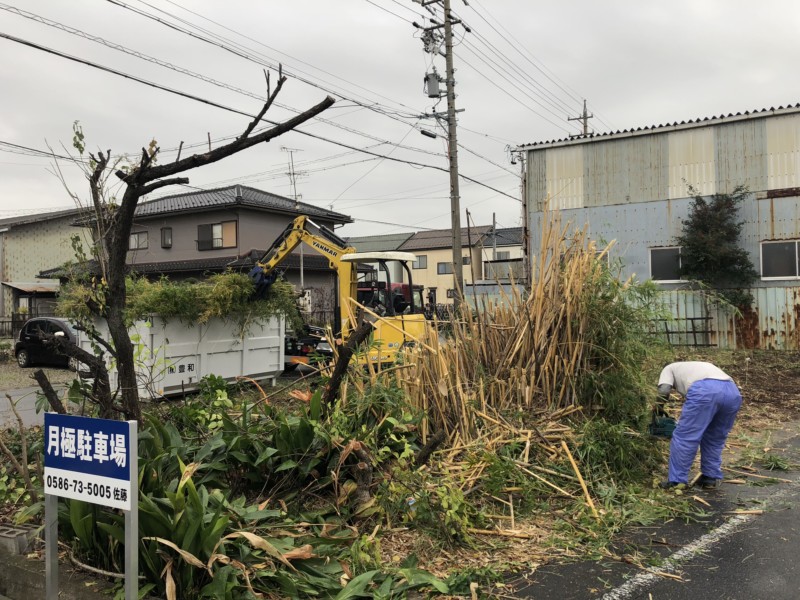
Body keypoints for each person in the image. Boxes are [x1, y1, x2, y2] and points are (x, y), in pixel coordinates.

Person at [657, 361, 742, 489]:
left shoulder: (668, 368)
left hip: (705, 391)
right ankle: (709, 477)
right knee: (715, 437)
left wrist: (658, 408)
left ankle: (676, 481)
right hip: (732, 392)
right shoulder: (695, 366)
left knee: (685, 437)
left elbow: (664, 390)